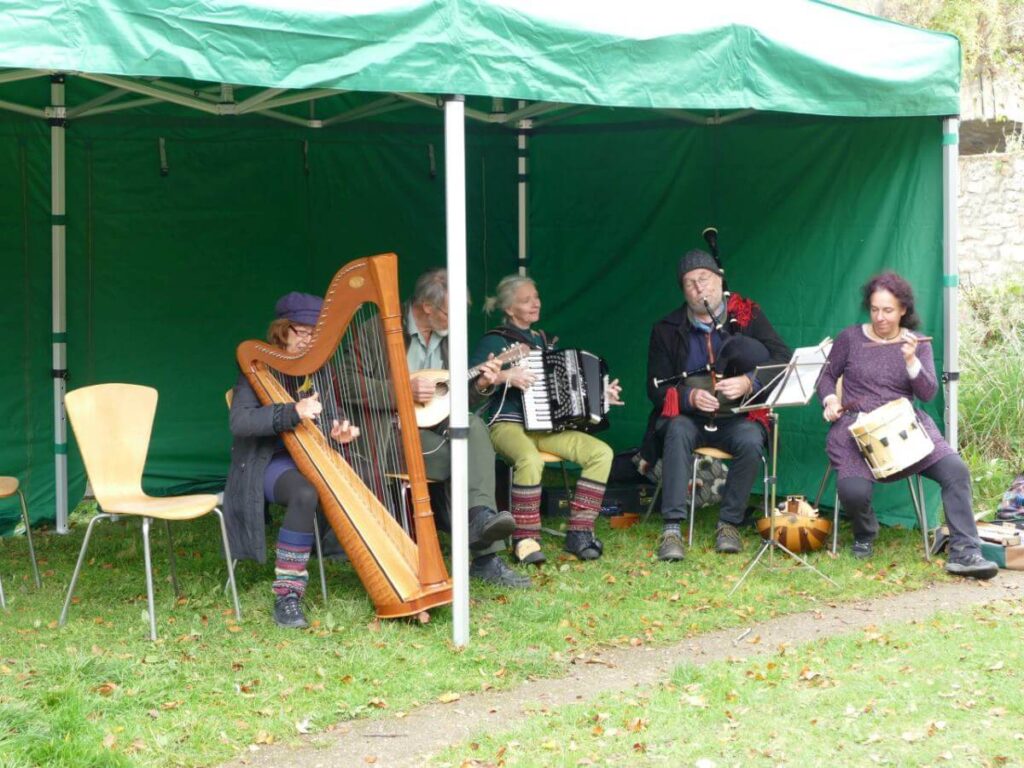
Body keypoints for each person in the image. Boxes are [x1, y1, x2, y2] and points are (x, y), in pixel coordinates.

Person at [341, 269, 531, 589]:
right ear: (427, 307)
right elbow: (345, 383)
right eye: (449, 312)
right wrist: (402, 390)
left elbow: (452, 397)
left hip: (432, 424)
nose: (456, 320)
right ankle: (484, 553)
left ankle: (481, 518)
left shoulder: (449, 337)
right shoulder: (379, 330)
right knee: (459, 459)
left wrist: (482, 384)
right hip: (388, 432)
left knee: (471, 426)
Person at [817, 271, 997, 579]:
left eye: (888, 310)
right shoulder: (850, 338)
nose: (880, 317)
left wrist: (912, 360)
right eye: (875, 309)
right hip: (856, 427)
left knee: (956, 471)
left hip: (904, 425)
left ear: (903, 310)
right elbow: (826, 376)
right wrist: (830, 401)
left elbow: (927, 393)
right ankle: (864, 535)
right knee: (853, 490)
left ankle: (965, 552)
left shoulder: (918, 343)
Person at [224, 292, 361, 629]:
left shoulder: (319, 368)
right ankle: (287, 594)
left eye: (317, 334)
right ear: (281, 331)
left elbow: (330, 411)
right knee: (304, 493)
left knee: (363, 474)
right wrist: (292, 411)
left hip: (312, 455)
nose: (309, 340)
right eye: (302, 331)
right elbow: (240, 423)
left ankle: (350, 554)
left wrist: (338, 429)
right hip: (266, 460)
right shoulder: (256, 371)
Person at [644, 250, 791, 562]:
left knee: (752, 440)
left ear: (720, 280)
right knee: (676, 431)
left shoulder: (747, 316)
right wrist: (689, 397)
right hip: (689, 417)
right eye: (690, 283)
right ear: (683, 291)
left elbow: (781, 358)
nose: (700, 288)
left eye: (705, 279)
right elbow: (655, 387)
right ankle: (671, 528)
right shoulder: (666, 329)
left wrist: (750, 382)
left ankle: (729, 524)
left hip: (735, 415)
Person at [470, 275, 623, 565]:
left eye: (536, 297)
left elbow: (564, 388)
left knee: (601, 453)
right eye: (526, 300)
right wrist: (506, 375)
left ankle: (580, 531)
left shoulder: (543, 340)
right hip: (506, 423)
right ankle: (525, 538)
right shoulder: (494, 339)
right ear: (510, 308)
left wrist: (601, 395)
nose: (535, 303)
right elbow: (473, 377)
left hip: (545, 426)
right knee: (530, 459)